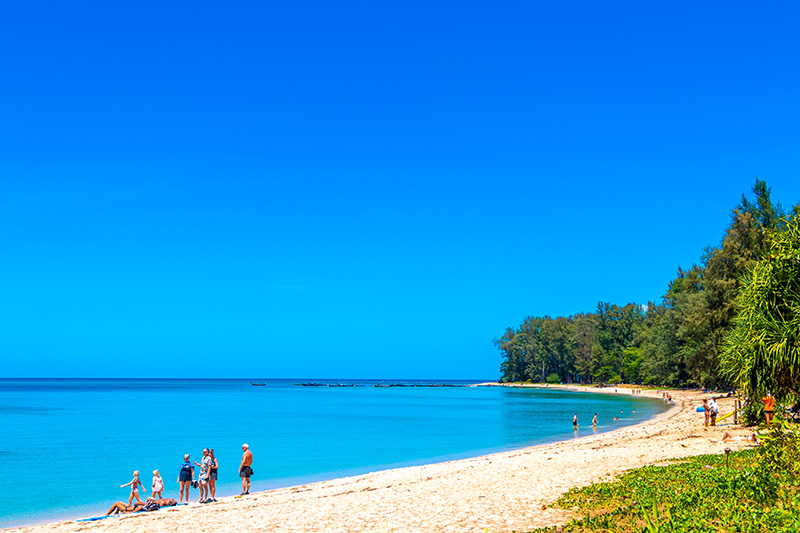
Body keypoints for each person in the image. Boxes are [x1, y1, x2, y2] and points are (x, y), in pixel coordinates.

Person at [104, 497, 176, 516]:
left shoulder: (142, 507)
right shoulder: (144, 506)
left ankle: (107, 514)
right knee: (119, 502)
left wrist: (124, 512)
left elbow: (133, 510)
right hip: (130, 507)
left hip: (127, 509)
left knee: (116, 504)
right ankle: (116, 513)